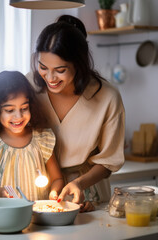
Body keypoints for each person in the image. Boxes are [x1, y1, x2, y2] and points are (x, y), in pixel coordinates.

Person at [27, 15, 125, 211]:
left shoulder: (107, 97)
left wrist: (80, 184)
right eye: (43, 67)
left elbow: (108, 160)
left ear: (79, 65)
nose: (50, 77)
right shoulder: (29, 85)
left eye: (60, 70)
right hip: (39, 188)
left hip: (88, 194)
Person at [0, 70, 64, 201]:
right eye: (10, 110)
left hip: (40, 216)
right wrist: (0, 192)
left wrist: (54, 193)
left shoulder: (42, 139)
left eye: (24, 108)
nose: (19, 116)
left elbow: (57, 179)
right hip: (8, 217)